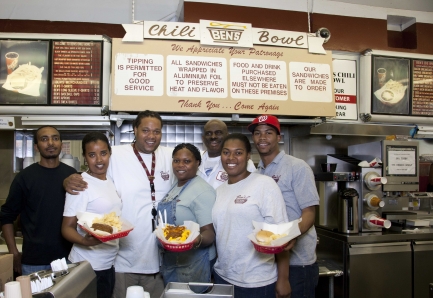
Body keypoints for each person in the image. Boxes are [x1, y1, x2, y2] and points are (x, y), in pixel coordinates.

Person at [63, 110, 174, 298]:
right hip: (121, 262)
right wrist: (66, 180)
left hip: (157, 260)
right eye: (145, 130)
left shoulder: (172, 157)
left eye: (157, 131)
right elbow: (91, 173)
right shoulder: (116, 155)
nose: (151, 136)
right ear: (135, 129)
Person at [248, 114, 320, 298]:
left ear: (279, 138)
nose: (262, 138)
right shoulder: (258, 171)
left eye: (268, 133)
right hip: (273, 262)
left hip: (298, 263)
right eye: (257, 133)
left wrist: (291, 235)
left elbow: (310, 213)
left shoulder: (296, 167)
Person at [212, 133, 291, 298]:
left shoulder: (264, 184)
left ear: (248, 156)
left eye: (238, 153)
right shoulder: (220, 190)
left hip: (256, 281)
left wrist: (283, 279)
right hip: (223, 276)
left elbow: (281, 235)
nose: (231, 157)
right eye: (226, 152)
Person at [0, 126, 76, 276]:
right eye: (44, 139)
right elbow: (6, 216)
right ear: (36, 146)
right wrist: (14, 252)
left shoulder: (71, 175)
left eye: (55, 138)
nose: (51, 143)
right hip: (34, 262)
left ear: (61, 143)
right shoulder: (25, 177)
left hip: (67, 259)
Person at [62, 132, 122, 298]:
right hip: (87, 266)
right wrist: (84, 241)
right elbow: (66, 228)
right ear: (84, 157)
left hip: (107, 264)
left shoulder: (109, 181)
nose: (99, 160)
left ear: (109, 153)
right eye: (92, 155)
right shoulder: (81, 184)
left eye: (103, 153)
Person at [157, 143, 216, 292]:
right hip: (173, 261)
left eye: (187, 161)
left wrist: (193, 240)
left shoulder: (202, 191)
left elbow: (210, 232)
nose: (180, 165)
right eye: (176, 161)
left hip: (194, 265)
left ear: (197, 163)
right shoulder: (176, 185)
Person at [198, 119, 255, 189]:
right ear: (203, 138)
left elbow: (254, 188)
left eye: (218, 133)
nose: (213, 137)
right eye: (209, 133)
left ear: (227, 136)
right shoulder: (194, 160)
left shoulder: (244, 163)